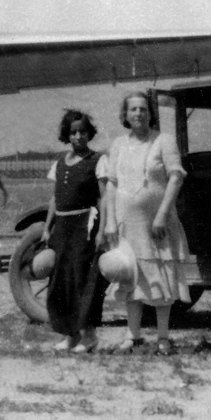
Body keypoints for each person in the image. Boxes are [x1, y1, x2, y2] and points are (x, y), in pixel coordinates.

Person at [97, 90, 191, 355]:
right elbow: (112, 183)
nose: (138, 113)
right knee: (130, 278)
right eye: (133, 109)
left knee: (161, 276)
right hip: (128, 225)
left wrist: (162, 214)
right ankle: (133, 335)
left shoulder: (164, 141)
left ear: (150, 114)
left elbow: (175, 178)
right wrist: (111, 222)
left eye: (143, 109)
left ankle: (163, 337)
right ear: (125, 115)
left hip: (157, 224)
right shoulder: (117, 145)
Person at [42, 111, 110, 353]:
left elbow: (103, 198)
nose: (78, 136)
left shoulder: (97, 160)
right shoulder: (59, 163)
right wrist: (47, 228)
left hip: (85, 227)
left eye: (82, 131)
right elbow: (54, 199)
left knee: (83, 280)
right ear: (66, 135)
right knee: (61, 281)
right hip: (62, 228)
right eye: (73, 132)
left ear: (89, 133)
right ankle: (70, 335)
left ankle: (89, 336)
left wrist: (103, 230)